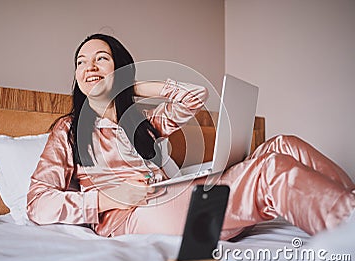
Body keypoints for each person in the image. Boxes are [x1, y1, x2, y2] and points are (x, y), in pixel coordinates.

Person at [27, 33, 355, 240]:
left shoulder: (138, 123)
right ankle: (348, 228)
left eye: (102, 58)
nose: (89, 67)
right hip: (131, 216)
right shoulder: (68, 130)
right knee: (269, 170)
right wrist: (111, 198)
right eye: (81, 62)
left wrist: (133, 85)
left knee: (284, 145)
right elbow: (37, 203)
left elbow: (193, 96)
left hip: (170, 193)